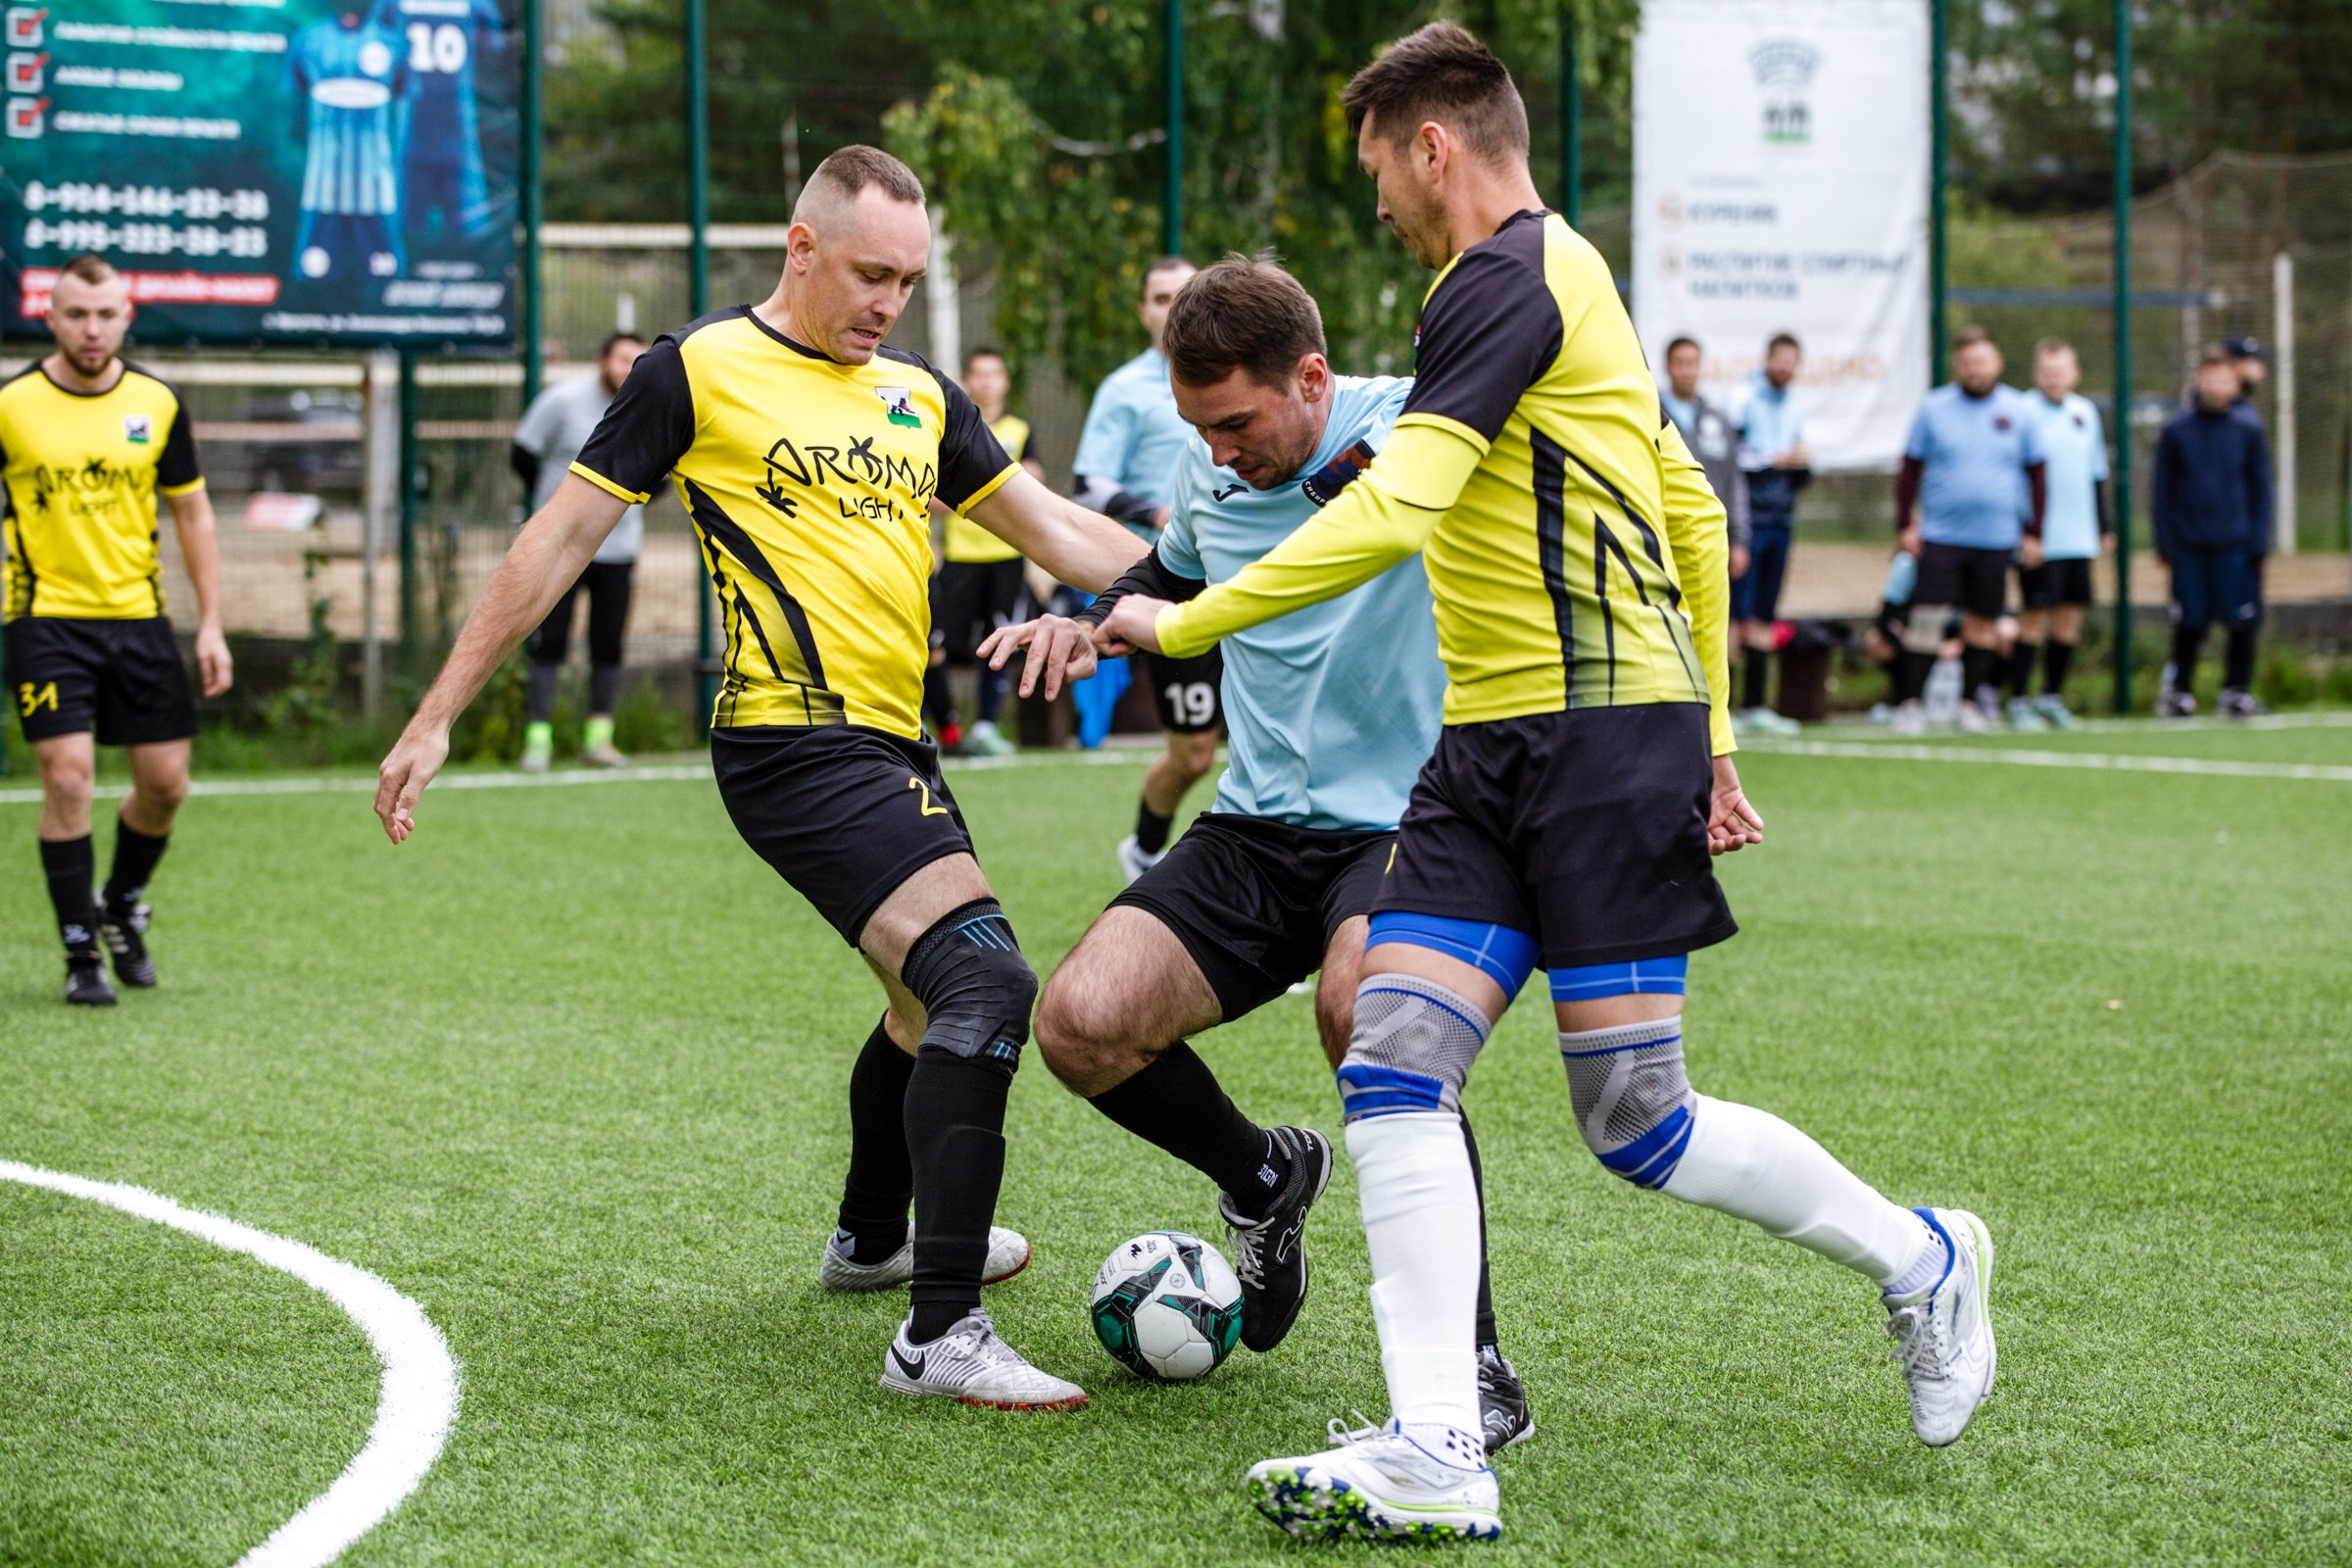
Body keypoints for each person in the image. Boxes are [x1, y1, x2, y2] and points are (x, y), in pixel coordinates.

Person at [1101, 24, 1995, 1542]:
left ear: (1432, 145)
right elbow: (1690, 508)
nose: (1377, 201)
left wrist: (1182, 621)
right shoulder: (1543, 284)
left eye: (1379, 169)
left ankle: (1925, 1259)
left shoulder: (1512, 279)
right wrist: (1720, 735)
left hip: (1598, 737)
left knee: (1638, 1118)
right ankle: (1439, 1444)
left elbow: (1403, 509)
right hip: (1493, 746)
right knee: (1392, 1056)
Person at [374, 146, 1148, 1410]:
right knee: (986, 981)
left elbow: (1057, 528)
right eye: (869, 274)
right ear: (801, 247)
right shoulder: (696, 370)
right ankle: (938, 1335)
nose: (888, 302)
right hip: (792, 742)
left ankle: (871, 1241)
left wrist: (1223, 584)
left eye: (908, 280)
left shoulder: (919, 393)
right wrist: (437, 713)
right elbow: (558, 539)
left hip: (895, 742)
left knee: (921, 1008)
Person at [989, 257, 1534, 1453]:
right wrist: (1088, 626)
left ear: (1313, 377)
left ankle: (1473, 1367)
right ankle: (1263, 1178)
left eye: (1237, 423)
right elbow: (1170, 572)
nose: (1220, 452)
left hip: (1411, 818)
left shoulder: (1416, 429)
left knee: (1367, 1015)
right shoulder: (1214, 465)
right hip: (1256, 822)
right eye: (1201, 430)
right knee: (1078, 1021)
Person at [1, 254, 233, 1005]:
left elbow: (192, 513)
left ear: (127, 318)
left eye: (106, 315)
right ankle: (81, 955)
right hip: (45, 619)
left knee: (164, 787)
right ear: (49, 317)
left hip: (139, 619)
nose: (92, 330)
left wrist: (211, 625)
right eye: (76, 315)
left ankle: (120, 905)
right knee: (68, 777)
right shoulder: (12, 405)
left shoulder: (157, 403)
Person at [1071, 256, 1226, 882]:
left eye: (1185, 293)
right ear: (1143, 311)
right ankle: (1144, 850)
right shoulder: (1124, 389)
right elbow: (1088, 484)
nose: (1173, 307)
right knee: (1193, 755)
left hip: (1244, 579)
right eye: (1161, 298)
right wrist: (1159, 512)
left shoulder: (1236, 372)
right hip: (1170, 587)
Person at [1889, 326, 2047, 737]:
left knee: (1982, 624)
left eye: (1981, 361)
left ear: (1997, 363)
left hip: (1996, 538)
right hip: (1941, 535)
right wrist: (1904, 524)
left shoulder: (2019, 410)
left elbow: (2037, 473)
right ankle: (1910, 704)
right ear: (1957, 366)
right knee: (1926, 620)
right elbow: (1909, 469)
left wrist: (2034, 532)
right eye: (1966, 363)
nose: (1974, 369)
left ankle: (1969, 705)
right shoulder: (1934, 408)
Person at [511, 331, 648, 770]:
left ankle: (599, 741)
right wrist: (555, 509)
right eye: (622, 358)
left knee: (607, 644)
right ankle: (538, 742)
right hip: (561, 549)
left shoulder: (649, 408)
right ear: (602, 360)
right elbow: (522, 454)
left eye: (638, 360)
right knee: (549, 641)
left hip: (618, 551)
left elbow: (661, 476)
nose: (629, 368)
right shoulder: (562, 401)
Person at [924, 346, 1037, 757]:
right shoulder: (953, 430)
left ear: (1005, 382)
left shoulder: (1019, 430)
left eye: (994, 374)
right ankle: (942, 725)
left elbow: (1032, 483)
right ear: (968, 380)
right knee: (935, 644)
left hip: (1006, 557)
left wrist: (972, 492)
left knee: (1002, 640)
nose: (987, 382)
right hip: (960, 557)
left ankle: (987, 725)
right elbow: (928, 490)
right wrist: (995, 493)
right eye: (979, 374)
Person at [2153, 346, 2274, 720]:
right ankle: (2179, 692)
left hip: (2235, 544)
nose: (2216, 386)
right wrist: (2164, 540)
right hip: (2189, 545)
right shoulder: (2177, 430)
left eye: (2223, 379)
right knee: (2189, 619)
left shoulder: (2248, 430)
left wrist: (2259, 541)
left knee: (2241, 619)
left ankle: (2236, 691)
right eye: (2209, 378)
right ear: (2199, 380)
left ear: (2234, 384)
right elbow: (2161, 491)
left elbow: (2261, 489)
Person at [2011, 338, 2111, 731]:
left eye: (2061, 372)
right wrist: (2024, 531)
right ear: (2037, 374)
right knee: (2035, 616)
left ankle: (2051, 697)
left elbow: (2096, 474)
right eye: (2047, 372)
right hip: (2040, 539)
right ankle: (2018, 700)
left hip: (2079, 537)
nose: (2054, 379)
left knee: (2070, 619)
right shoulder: (2022, 411)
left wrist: (2103, 527)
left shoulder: (2084, 412)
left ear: (2075, 374)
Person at [1731, 332, 1807, 737]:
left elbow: (1798, 466)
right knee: (1733, 616)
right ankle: (1722, 709)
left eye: (1791, 361)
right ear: (1767, 359)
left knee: (1764, 613)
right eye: (1780, 359)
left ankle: (1755, 706)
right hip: (1748, 523)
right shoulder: (1742, 400)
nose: (1785, 367)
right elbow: (1733, 459)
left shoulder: (1794, 408)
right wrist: (1773, 459)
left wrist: (1800, 464)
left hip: (1781, 520)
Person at [1659, 336, 1749, 592]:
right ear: (1668, 367)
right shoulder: (1651, 415)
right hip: (1663, 538)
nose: (1687, 371)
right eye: (1680, 363)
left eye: (1692, 363)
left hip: (1710, 541)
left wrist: (1739, 540)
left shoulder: (1718, 420)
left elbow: (1735, 483)